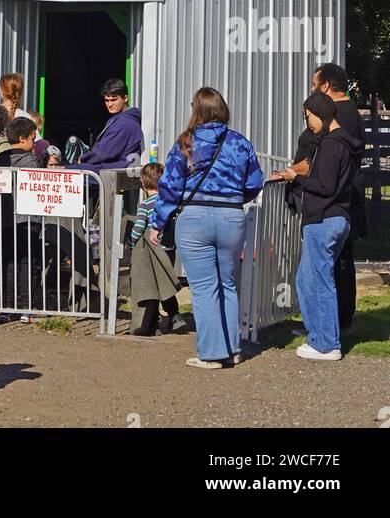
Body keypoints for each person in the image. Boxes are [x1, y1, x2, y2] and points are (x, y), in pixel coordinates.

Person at [150, 87, 263, 368]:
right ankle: (233, 348)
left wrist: (158, 222)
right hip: (231, 217)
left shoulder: (186, 143)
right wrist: (235, 199)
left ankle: (212, 353)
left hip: (195, 217)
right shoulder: (240, 143)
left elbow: (170, 187)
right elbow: (254, 181)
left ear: (197, 110)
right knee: (227, 284)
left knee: (203, 288)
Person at [273, 91, 361, 362]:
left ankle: (325, 343)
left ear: (320, 114)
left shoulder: (332, 144)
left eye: (308, 117)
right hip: (337, 217)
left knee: (319, 280)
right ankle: (320, 334)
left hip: (323, 218)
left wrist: (295, 179)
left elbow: (325, 185)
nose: (308, 123)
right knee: (308, 278)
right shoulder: (343, 143)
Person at [310, 63, 365, 331]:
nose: (312, 90)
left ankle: (334, 323)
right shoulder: (352, 112)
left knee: (335, 264)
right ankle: (340, 319)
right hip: (348, 194)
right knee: (342, 259)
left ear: (327, 86)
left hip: (336, 199)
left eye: (314, 84)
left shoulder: (338, 113)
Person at [128, 162, 187, 337]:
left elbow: (138, 228)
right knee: (166, 281)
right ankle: (174, 315)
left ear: (143, 182)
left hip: (153, 252)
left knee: (154, 286)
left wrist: (131, 243)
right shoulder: (169, 202)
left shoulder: (145, 204)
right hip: (169, 248)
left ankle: (157, 321)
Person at [0, 116, 45, 319]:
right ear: (24, 139)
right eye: (33, 139)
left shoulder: (0, 159)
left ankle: (7, 306)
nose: (34, 143)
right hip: (28, 219)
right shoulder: (30, 161)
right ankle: (26, 306)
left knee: (9, 262)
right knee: (28, 262)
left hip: (5, 218)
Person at [79, 79, 144, 171]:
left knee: (68, 170)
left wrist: (83, 158)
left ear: (125, 98)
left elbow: (103, 152)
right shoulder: (118, 119)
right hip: (111, 170)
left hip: (114, 173)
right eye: (107, 100)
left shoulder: (125, 123)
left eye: (114, 100)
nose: (110, 104)